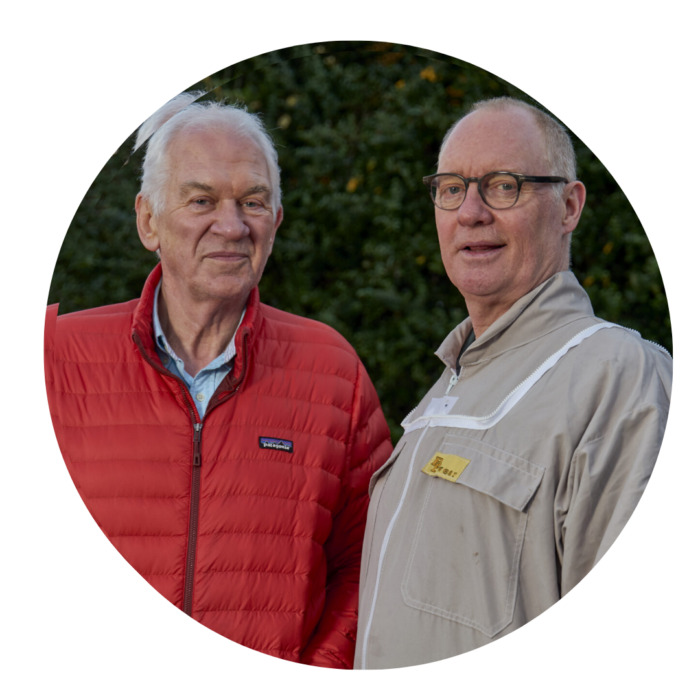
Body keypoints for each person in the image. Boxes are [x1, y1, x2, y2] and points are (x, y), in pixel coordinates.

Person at [43, 91, 393, 671]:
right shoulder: (58, 358)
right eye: (201, 199)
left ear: (275, 222)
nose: (230, 226)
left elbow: (369, 560)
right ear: (149, 220)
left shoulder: (332, 371)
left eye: (252, 202)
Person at [354, 96, 673, 670]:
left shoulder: (618, 375)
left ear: (569, 206)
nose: (471, 212)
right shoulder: (444, 392)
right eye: (452, 188)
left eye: (504, 186)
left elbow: (631, 648)